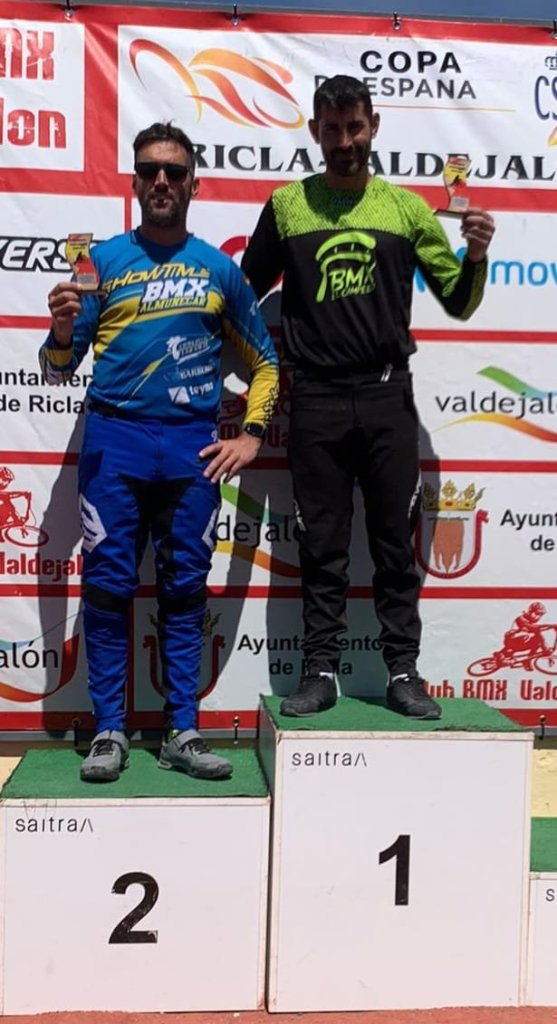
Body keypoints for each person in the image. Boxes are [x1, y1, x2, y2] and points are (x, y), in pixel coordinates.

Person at [242, 75, 495, 720]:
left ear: (374, 126)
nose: (345, 140)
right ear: (315, 133)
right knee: (321, 547)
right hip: (316, 398)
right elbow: (244, 296)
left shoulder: (408, 210)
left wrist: (475, 255)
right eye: (332, 129)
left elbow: (460, 302)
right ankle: (320, 671)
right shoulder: (288, 205)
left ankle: (403, 671)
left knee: (392, 545)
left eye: (355, 127)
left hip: (387, 398)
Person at [41, 122, 278, 781]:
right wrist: (60, 330)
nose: (162, 181)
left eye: (174, 171)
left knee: (184, 590)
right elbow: (59, 369)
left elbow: (265, 362)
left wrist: (251, 435)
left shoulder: (219, 270)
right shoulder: (101, 263)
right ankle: (108, 731)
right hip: (114, 444)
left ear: (194, 183)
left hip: (190, 449)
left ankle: (182, 731)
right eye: (149, 170)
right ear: (135, 182)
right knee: (107, 587)